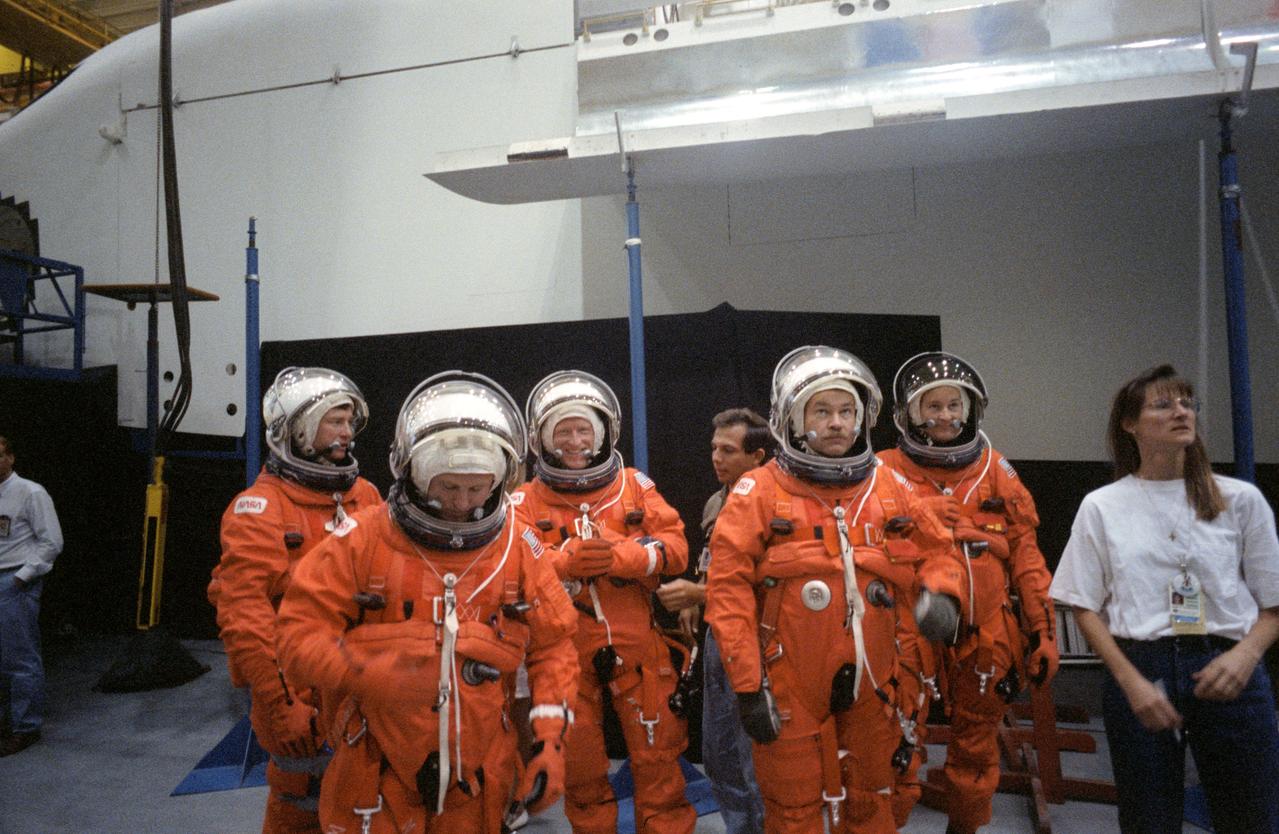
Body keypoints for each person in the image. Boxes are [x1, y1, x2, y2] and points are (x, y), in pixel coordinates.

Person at [276, 371, 578, 833]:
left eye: (476, 488)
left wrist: (551, 740)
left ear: (499, 481)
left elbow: (554, 646)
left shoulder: (516, 547)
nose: (462, 503)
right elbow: (297, 635)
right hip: (375, 763)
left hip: (477, 770)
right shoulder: (363, 539)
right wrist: (368, 670)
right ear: (415, 474)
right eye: (448, 487)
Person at [705, 346, 960, 834]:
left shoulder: (887, 486)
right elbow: (727, 593)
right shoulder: (758, 492)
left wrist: (943, 594)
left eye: (846, 411)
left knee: (872, 799)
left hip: (874, 676)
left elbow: (939, 549)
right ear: (794, 419)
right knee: (792, 807)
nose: (837, 423)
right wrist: (748, 687)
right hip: (788, 677)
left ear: (862, 418)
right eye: (821, 411)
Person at [1050, 364, 1279, 834]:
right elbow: (1082, 604)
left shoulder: (1240, 499)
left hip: (1228, 665)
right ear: (1129, 424)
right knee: (1147, 820)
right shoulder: (1103, 505)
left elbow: (1273, 602)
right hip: (1143, 666)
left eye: (1187, 403)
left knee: (1251, 817)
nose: (1181, 412)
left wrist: (1246, 656)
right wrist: (1131, 682)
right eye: (1163, 404)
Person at [879, 352, 1058, 834]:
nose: (945, 416)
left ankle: (964, 828)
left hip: (986, 630)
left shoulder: (995, 471)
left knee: (977, 748)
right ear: (909, 413)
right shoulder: (883, 470)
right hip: (906, 626)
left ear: (970, 410)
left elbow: (1027, 558)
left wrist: (1043, 631)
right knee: (896, 743)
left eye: (953, 405)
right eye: (932, 406)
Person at [514, 370, 696, 834]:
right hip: (564, 651)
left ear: (602, 435)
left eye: (583, 430)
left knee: (659, 760)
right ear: (542, 439)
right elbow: (511, 566)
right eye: (563, 431)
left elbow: (677, 549)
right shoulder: (524, 501)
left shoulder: (633, 486)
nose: (575, 441)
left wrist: (622, 557)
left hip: (639, 645)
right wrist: (564, 562)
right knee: (581, 767)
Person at [207, 367, 382, 833]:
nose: (347, 433)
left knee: (370, 802)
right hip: (299, 693)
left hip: (364, 685)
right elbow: (246, 620)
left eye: (349, 421)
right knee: (301, 802)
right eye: (334, 421)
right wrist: (280, 704)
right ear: (299, 430)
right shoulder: (260, 510)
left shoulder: (364, 496)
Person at [656, 408, 769, 834]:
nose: (717, 458)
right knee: (719, 751)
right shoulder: (718, 501)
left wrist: (697, 594)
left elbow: (766, 587)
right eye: (714, 449)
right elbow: (714, 559)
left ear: (757, 456)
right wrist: (697, 596)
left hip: (759, 639)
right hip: (718, 636)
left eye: (728, 450)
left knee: (754, 752)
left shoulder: (774, 506)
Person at [0, 435, 62, 757]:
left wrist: (23, 576)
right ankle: (6, 722)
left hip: (13, 581)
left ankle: (25, 727)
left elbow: (51, 541)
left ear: (10, 457)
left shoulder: (31, 492)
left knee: (20, 658)